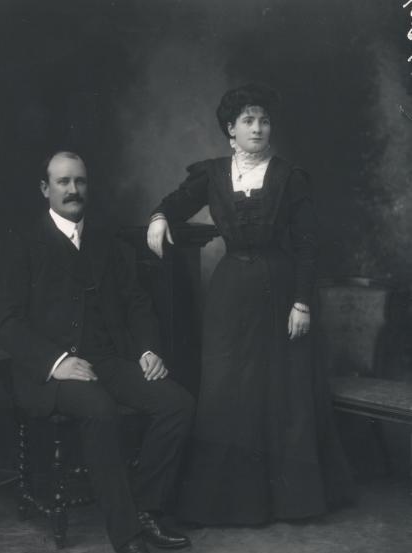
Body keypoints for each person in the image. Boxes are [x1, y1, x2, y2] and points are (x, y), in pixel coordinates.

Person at [147, 83, 354, 526]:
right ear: (231, 129)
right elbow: (176, 202)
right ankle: (228, 501)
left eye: (263, 120)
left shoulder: (288, 176)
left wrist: (301, 301)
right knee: (226, 388)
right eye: (247, 120)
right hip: (230, 292)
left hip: (280, 289)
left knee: (281, 390)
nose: (257, 128)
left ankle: (289, 501)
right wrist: (160, 217)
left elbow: (307, 245)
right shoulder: (213, 174)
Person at [0, 151, 195, 553]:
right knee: (100, 410)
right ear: (45, 189)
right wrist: (58, 362)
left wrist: (147, 350)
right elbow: (8, 322)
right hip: (50, 372)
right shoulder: (23, 243)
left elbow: (138, 303)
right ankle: (128, 542)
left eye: (80, 182)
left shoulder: (108, 243)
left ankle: (144, 508)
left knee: (177, 404)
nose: (73, 190)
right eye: (64, 182)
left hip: (107, 360)